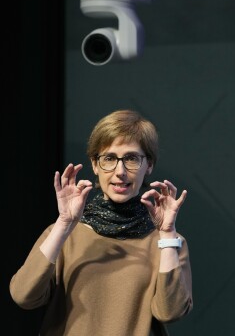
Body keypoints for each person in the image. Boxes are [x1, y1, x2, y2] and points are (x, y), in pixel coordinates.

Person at [10, 109, 193, 336]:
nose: (120, 172)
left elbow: (170, 312)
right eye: (109, 158)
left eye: (132, 159)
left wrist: (166, 234)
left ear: (150, 165)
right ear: (95, 165)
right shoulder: (66, 233)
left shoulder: (168, 242)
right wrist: (64, 223)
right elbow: (24, 296)